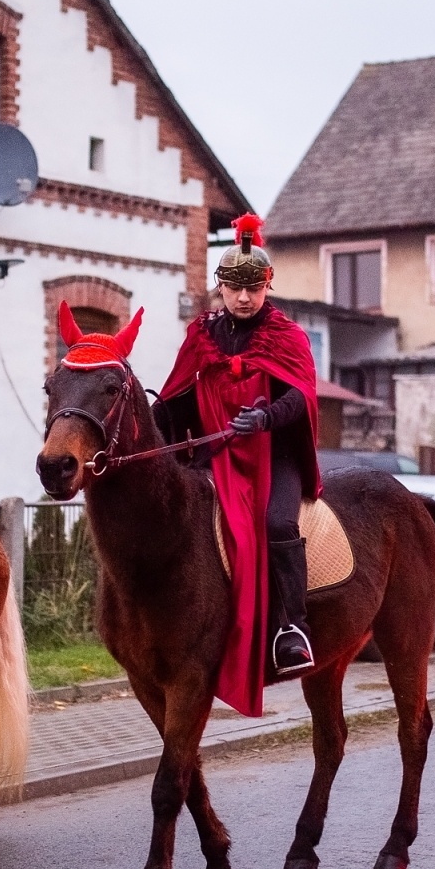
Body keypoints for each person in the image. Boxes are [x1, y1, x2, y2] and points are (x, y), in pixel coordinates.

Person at [154, 213, 322, 714]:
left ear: (267, 287)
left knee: (275, 521)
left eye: (253, 289)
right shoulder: (201, 336)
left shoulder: (287, 336)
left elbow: (303, 395)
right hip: (216, 453)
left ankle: (294, 627)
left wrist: (266, 418)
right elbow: (179, 396)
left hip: (277, 453)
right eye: (234, 289)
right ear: (220, 287)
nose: (243, 299)